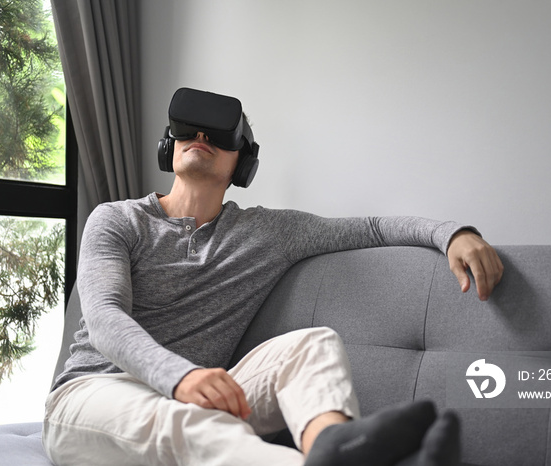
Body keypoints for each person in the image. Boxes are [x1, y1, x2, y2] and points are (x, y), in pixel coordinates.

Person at [42, 88, 504, 466]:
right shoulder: (117, 219)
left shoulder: (268, 233)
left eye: (219, 136)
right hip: (92, 394)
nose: (200, 135)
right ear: (170, 145)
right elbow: (102, 315)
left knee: (314, 343)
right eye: (188, 129)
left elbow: (372, 228)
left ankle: (333, 445)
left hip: (194, 393)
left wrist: (452, 234)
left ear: (242, 165)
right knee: (192, 425)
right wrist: (180, 377)